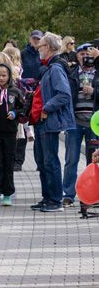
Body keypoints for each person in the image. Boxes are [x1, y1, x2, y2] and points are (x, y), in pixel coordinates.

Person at [30, 33, 76, 213]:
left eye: (40, 46)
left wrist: (46, 109)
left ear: (48, 47)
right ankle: (47, 197)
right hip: (42, 121)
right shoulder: (48, 68)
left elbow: (64, 95)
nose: (38, 49)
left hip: (49, 121)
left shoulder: (55, 68)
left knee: (50, 161)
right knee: (42, 161)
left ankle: (55, 200)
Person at [63, 43, 98, 205]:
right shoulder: (72, 73)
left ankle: (93, 194)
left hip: (94, 123)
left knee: (94, 160)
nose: (85, 56)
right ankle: (68, 194)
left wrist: (94, 91)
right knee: (71, 158)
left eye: (88, 53)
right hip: (74, 122)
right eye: (82, 54)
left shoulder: (97, 73)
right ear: (77, 56)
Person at [0, 63, 24, 207]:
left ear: (9, 76)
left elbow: (22, 107)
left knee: (9, 162)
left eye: (4, 75)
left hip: (10, 132)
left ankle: (8, 192)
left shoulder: (15, 91)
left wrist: (15, 113)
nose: (1, 78)